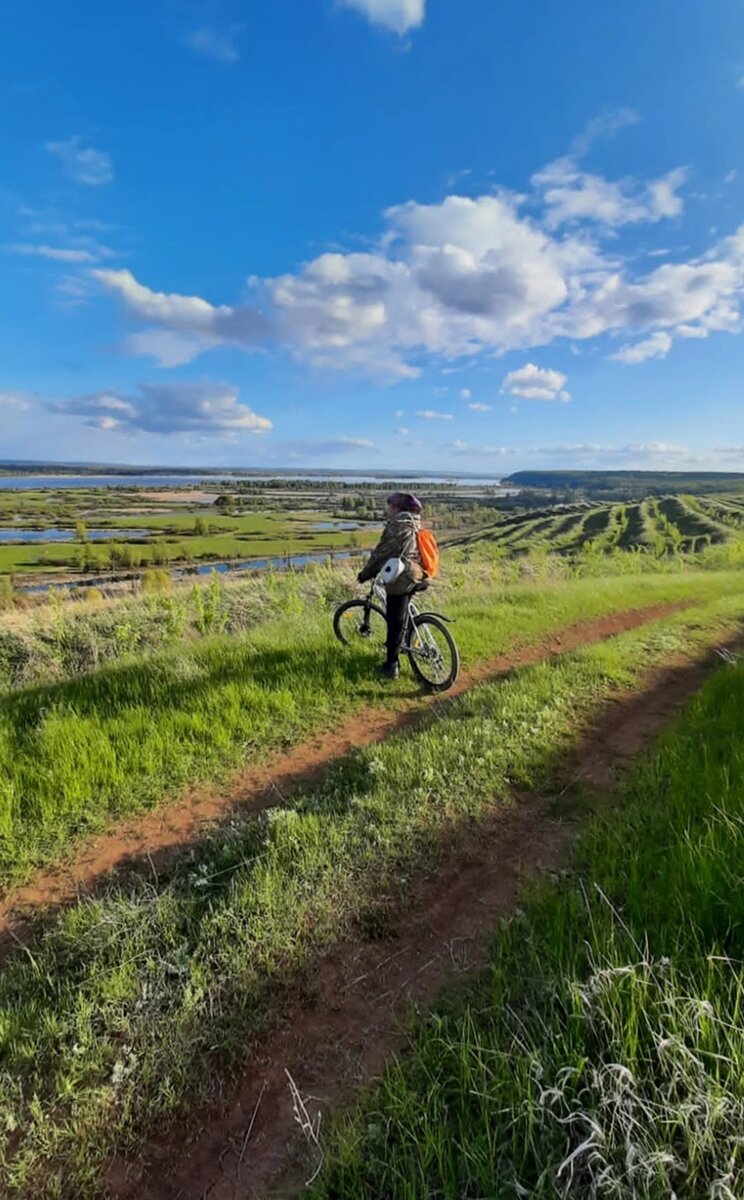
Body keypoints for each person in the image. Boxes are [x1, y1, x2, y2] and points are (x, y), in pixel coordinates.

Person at [357, 491, 425, 680]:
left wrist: (365, 574)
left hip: (402, 576)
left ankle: (391, 666)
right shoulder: (415, 523)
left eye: (389, 506)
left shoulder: (397, 526)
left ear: (397, 508)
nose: (387, 509)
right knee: (402, 616)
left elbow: (381, 553)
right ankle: (406, 641)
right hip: (418, 572)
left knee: (394, 621)